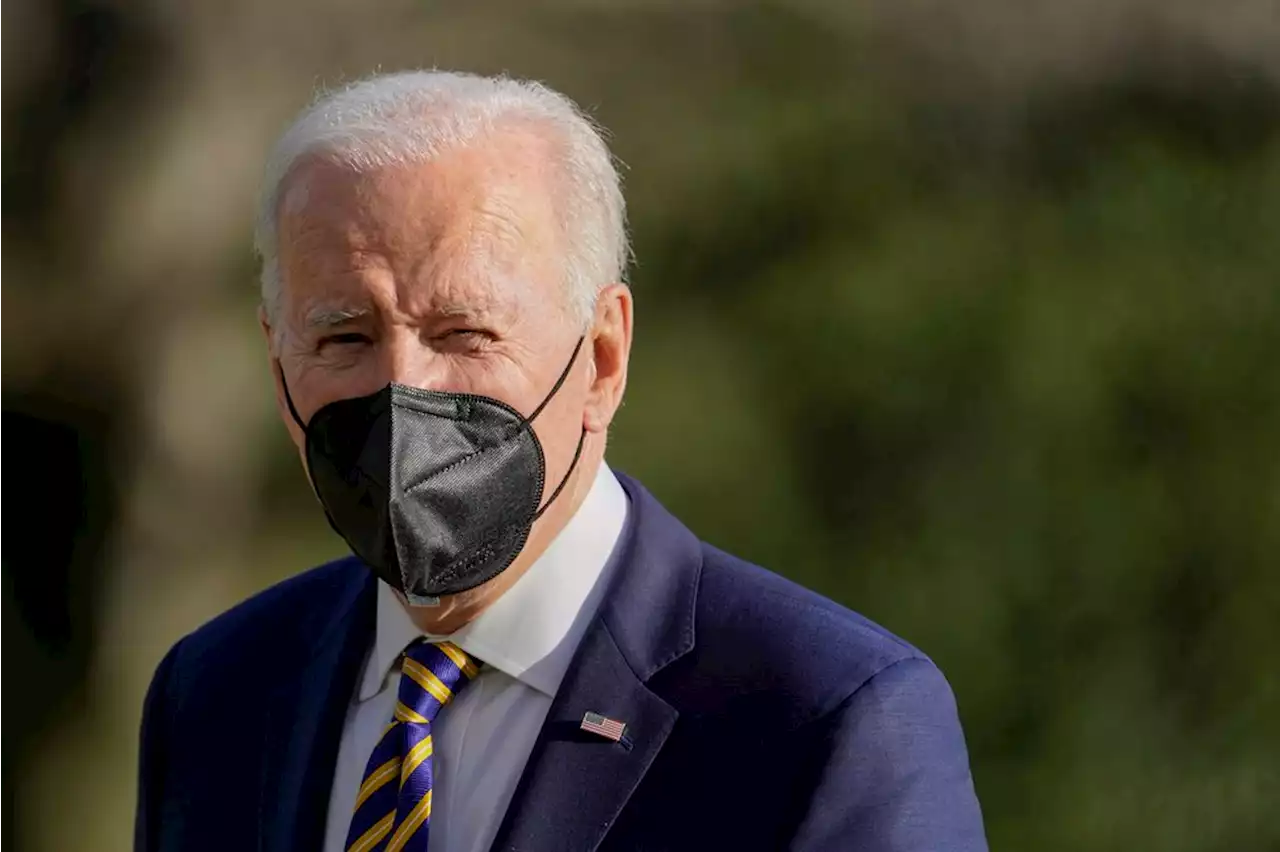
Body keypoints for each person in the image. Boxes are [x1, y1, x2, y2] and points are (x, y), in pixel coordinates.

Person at [134, 70, 988, 852]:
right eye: (344, 336)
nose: (403, 388)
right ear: (276, 358)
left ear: (603, 357)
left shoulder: (827, 720)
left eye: (464, 332)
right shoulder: (218, 695)